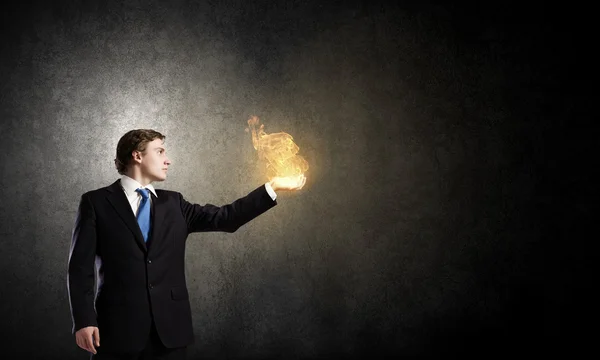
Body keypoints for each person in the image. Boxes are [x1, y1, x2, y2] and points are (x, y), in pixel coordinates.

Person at [67, 129, 306, 359]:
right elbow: (80, 268)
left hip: (169, 333)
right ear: (137, 155)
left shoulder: (175, 203)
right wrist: (84, 320)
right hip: (115, 332)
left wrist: (272, 187)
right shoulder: (96, 202)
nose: (167, 160)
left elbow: (227, 218)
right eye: (160, 151)